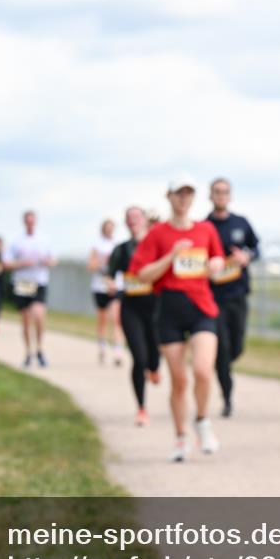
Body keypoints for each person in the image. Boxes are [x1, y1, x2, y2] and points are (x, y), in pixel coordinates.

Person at [129, 176, 224, 462]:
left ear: (194, 198)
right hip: (169, 310)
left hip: (202, 308)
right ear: (168, 196)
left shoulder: (206, 229)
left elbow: (217, 261)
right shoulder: (157, 234)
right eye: (178, 194)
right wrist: (171, 256)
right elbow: (142, 274)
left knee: (204, 371)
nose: (183, 199)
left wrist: (216, 265)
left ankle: (203, 421)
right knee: (179, 380)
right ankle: (181, 436)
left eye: (188, 194)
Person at [205, 178, 260, 417]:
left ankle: (227, 362)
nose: (220, 196)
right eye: (217, 192)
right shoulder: (204, 226)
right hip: (213, 298)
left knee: (236, 346)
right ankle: (227, 397)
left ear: (230, 196)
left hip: (237, 294)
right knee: (223, 349)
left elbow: (256, 248)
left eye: (224, 192)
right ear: (210, 195)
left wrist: (246, 256)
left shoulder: (241, 223)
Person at [109, 206, 162, 426]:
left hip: (155, 306)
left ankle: (155, 367)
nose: (133, 221)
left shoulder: (156, 245)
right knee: (138, 358)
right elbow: (109, 275)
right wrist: (110, 283)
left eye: (136, 217)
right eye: (129, 217)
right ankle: (141, 408)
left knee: (153, 353)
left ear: (144, 220)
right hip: (131, 307)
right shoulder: (121, 250)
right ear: (125, 222)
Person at [3, 210, 56, 367]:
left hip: (39, 282)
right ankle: (28, 352)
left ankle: (40, 348)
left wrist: (46, 261)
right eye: (28, 221)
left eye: (33, 220)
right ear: (24, 222)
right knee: (26, 319)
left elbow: (53, 260)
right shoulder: (16, 240)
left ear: (36, 221)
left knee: (39, 316)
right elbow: (6, 263)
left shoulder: (44, 239)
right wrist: (22, 263)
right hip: (22, 283)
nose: (30, 223)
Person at [88, 219, 124, 366]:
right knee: (102, 319)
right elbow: (91, 265)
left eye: (111, 228)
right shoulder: (97, 245)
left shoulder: (118, 245)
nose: (109, 230)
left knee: (116, 318)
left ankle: (118, 352)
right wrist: (103, 261)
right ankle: (102, 347)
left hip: (115, 286)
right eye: (107, 228)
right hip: (100, 286)